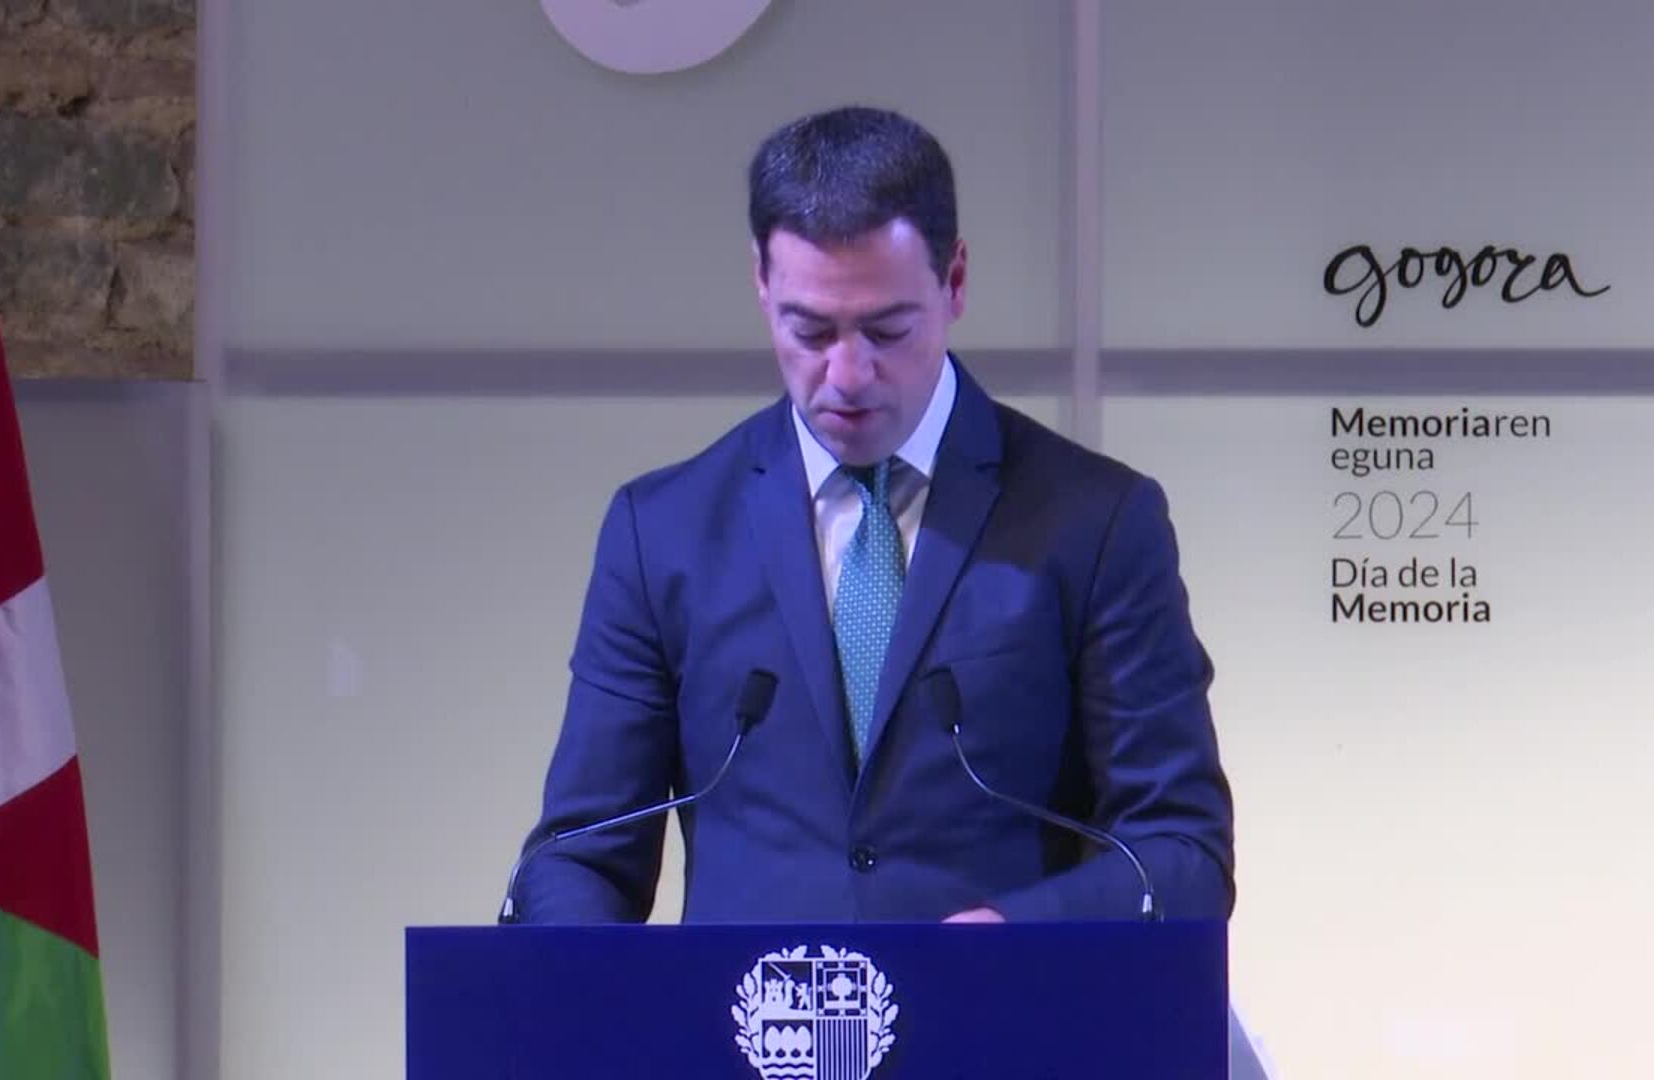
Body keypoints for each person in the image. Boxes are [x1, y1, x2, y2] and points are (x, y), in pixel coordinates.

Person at [512, 106, 1233, 924]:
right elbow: (581, 855)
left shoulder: (1097, 523)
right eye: (810, 331)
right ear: (761, 283)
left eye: (887, 331)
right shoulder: (662, 533)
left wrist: (1022, 940)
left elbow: (1182, 855)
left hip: (1000, 1007)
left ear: (955, 281)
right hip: (739, 1011)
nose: (848, 375)